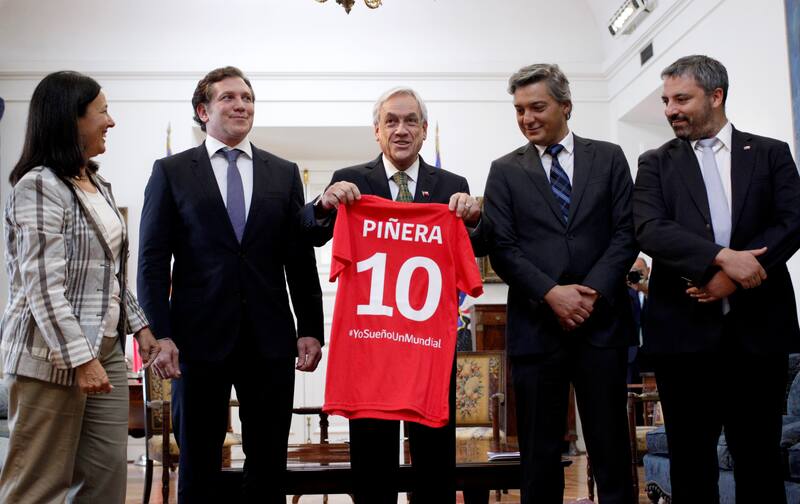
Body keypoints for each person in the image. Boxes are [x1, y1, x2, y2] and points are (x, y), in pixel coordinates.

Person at [137, 66, 324, 503]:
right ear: (203, 110)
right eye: (228, 97)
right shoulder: (171, 172)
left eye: (247, 97)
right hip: (196, 345)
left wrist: (310, 327)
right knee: (199, 466)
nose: (241, 104)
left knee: (267, 464)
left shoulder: (283, 172)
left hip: (270, 342)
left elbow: (298, 257)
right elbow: (151, 262)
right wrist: (160, 334)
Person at [300, 86, 484, 503]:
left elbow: (478, 245)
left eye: (411, 121)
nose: (401, 130)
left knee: (434, 462)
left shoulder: (451, 185)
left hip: (428, 346)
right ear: (377, 131)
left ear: (424, 129)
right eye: (392, 121)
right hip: (371, 348)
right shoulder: (351, 181)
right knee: (371, 465)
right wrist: (325, 204)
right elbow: (308, 233)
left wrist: (474, 216)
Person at [633, 54, 800, 503]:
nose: (670, 109)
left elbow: (792, 221)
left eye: (681, 98)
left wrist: (743, 278)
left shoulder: (769, 153)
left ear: (716, 96)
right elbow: (650, 228)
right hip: (682, 338)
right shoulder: (654, 163)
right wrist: (721, 262)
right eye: (666, 100)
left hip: (758, 332)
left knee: (759, 459)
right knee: (691, 463)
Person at [0, 70, 159, 503]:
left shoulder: (97, 184)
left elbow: (108, 274)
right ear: (71, 119)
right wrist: (79, 359)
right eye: (103, 111)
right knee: (38, 485)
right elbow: (42, 287)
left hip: (105, 351)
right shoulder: (38, 186)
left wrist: (140, 326)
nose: (112, 121)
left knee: (105, 483)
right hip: (50, 355)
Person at [483, 63, 637, 504]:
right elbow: (504, 247)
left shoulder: (608, 157)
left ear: (566, 106)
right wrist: (552, 294)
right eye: (519, 110)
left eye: (537, 107)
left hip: (602, 324)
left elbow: (626, 233)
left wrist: (589, 293)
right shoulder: (504, 170)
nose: (527, 118)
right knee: (539, 451)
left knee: (610, 446)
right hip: (537, 328)